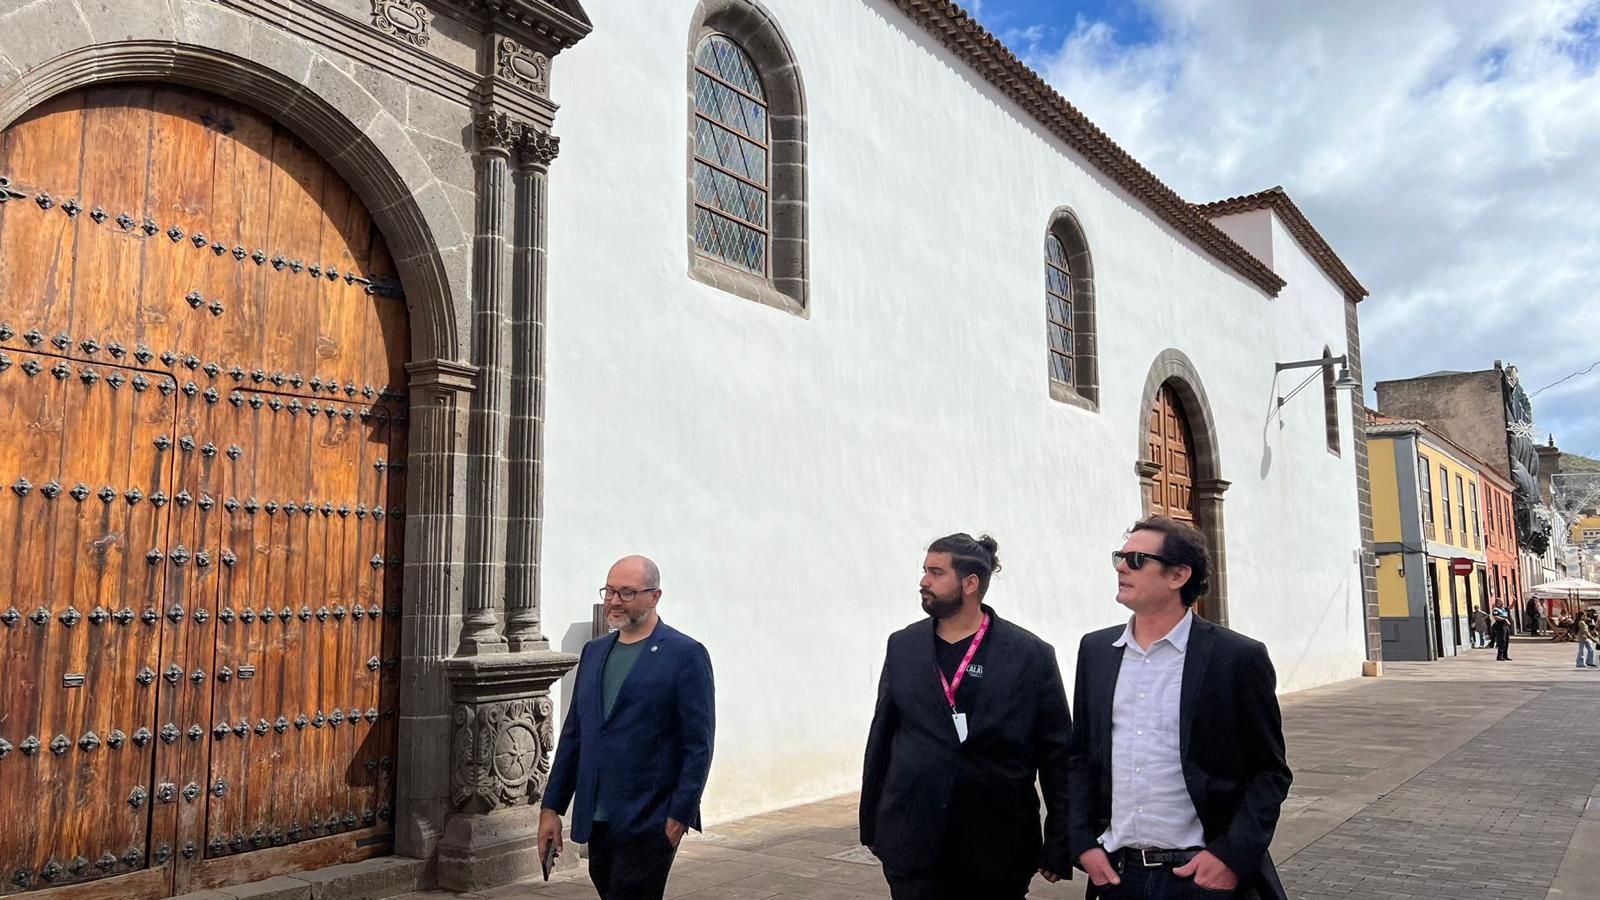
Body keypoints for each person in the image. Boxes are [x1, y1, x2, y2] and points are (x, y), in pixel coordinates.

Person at [1067, 516, 1292, 900]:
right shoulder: (1096, 652)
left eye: (1136, 560)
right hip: (1117, 876)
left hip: (1200, 877)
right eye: (1120, 557)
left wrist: (1230, 858)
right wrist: (1082, 844)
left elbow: (1269, 772)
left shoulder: (1236, 657)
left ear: (1178, 576)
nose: (1121, 566)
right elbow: (1079, 759)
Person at [861, 533, 1074, 899]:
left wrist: (1060, 841)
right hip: (914, 842)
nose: (923, 581)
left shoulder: (1029, 654)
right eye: (925, 570)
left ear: (970, 583)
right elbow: (882, 735)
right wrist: (874, 824)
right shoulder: (904, 646)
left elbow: (1057, 754)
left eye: (936, 572)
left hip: (997, 847)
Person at [538, 556, 715, 900]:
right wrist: (551, 808)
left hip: (650, 819)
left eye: (628, 592)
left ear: (655, 596)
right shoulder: (594, 652)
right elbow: (574, 735)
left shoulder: (685, 655)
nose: (615, 601)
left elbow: (698, 745)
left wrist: (680, 814)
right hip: (598, 817)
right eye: (610, 591)